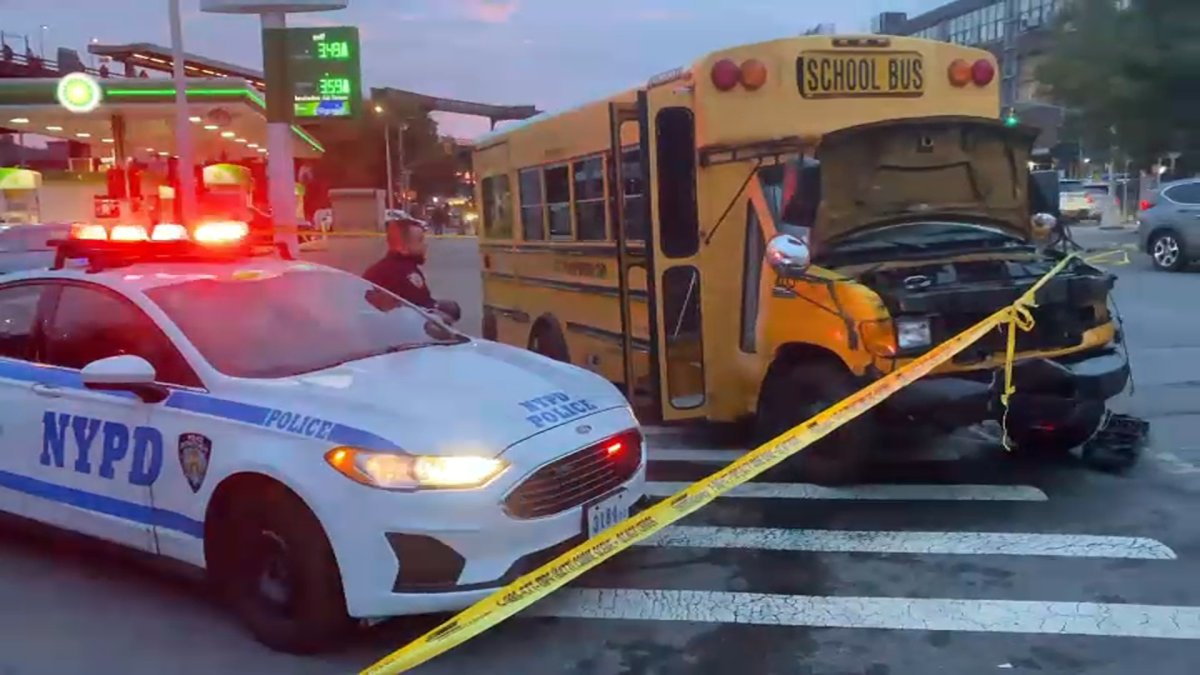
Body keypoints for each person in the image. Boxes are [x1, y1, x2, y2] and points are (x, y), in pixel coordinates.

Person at [363, 217, 461, 324]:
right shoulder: (403, 273)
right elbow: (421, 309)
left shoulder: (385, 268)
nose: (425, 245)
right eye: (420, 240)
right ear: (401, 247)